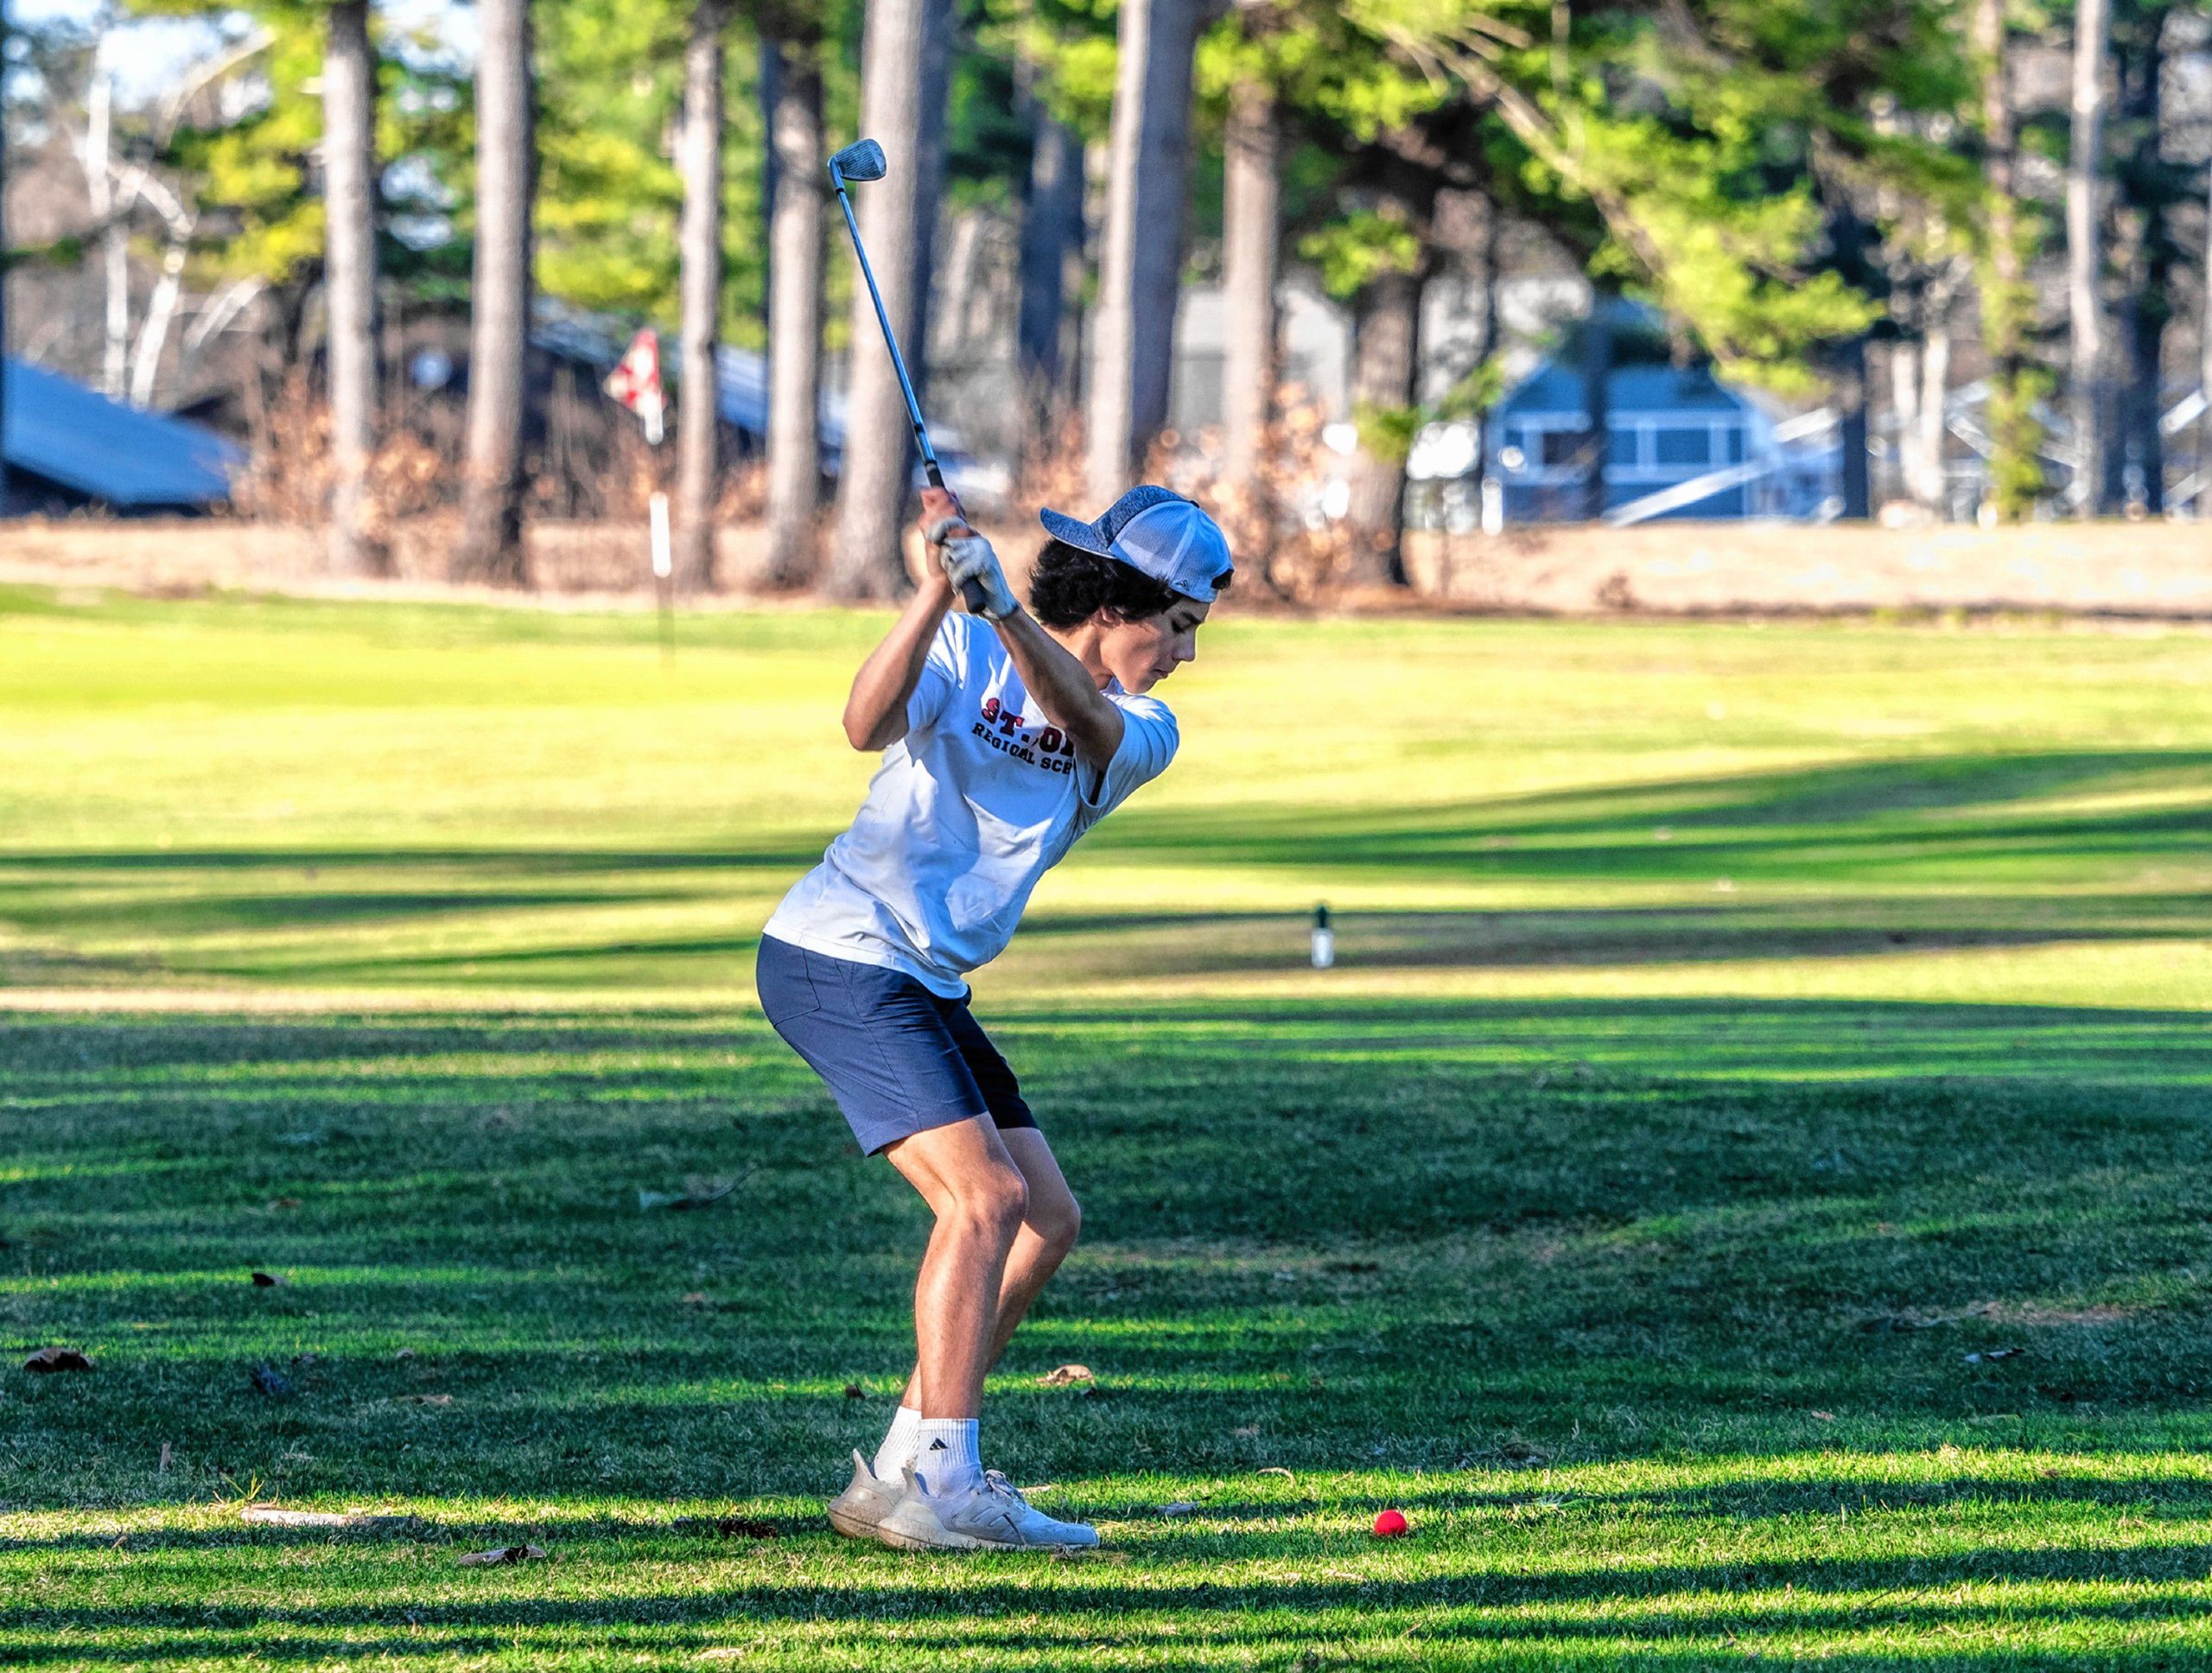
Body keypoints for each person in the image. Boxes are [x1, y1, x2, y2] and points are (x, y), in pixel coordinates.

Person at [753, 482, 1232, 1550]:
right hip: (840, 952)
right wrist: (935, 594)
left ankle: (902, 1466)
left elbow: (1082, 716)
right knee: (986, 1196)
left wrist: (1004, 607)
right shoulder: (962, 656)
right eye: (1181, 626)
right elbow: (860, 724)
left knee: (1045, 1216)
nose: (1187, 656)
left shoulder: (1144, 728)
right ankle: (946, 1479)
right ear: (1119, 600)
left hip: (922, 980)